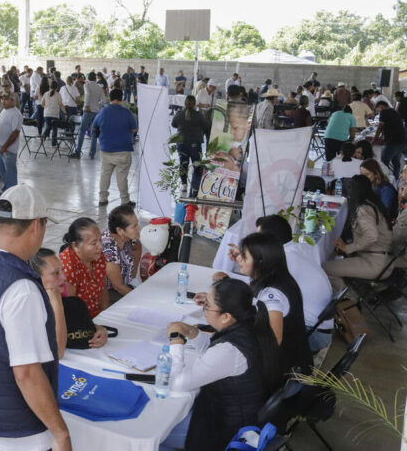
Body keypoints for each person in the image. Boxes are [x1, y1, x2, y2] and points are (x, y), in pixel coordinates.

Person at [0, 185, 71, 451]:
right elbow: (27, 373)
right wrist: (60, 433)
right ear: (35, 225)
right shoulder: (21, 290)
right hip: (16, 433)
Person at [159, 279, 281, 451]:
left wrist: (176, 341)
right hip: (234, 416)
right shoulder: (248, 325)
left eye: (207, 306)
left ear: (226, 317)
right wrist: (193, 333)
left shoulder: (229, 350)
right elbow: (215, 349)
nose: (204, 310)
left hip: (223, 431)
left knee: (155, 438)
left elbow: (176, 383)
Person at [221, 232, 312, 375]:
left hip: (284, 371)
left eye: (244, 256)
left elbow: (272, 344)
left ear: (260, 261)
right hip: (294, 360)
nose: (239, 260)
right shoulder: (278, 276)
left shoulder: (272, 296)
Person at [324, 175, 394, 290]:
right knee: (335, 259)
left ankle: (349, 301)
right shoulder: (374, 204)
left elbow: (372, 236)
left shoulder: (364, 209)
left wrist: (349, 248)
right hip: (382, 259)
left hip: (374, 262)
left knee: (326, 268)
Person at [93, 89, 138, 207]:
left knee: (105, 174)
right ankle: (124, 200)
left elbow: (94, 127)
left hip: (106, 149)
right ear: (122, 98)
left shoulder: (103, 112)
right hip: (123, 150)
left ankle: (102, 199)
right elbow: (134, 129)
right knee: (122, 176)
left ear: (110, 98)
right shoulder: (127, 113)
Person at [59, 217, 109, 319]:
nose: (100, 247)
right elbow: (71, 309)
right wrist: (91, 327)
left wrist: (106, 317)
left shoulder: (98, 256)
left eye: (100, 240)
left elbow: (103, 290)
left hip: (97, 316)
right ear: (76, 245)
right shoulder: (67, 266)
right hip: (79, 322)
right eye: (94, 243)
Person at [102, 205, 143, 299]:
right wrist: (140, 299)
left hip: (123, 285)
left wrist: (132, 279)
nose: (138, 228)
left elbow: (137, 247)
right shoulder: (109, 248)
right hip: (108, 292)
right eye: (134, 226)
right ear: (120, 230)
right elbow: (118, 286)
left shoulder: (131, 239)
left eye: (137, 224)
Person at [172, 95, 209, 197]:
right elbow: (206, 126)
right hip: (195, 145)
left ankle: (183, 184)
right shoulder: (199, 115)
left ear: (185, 103)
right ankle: (195, 187)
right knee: (197, 166)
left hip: (181, 144)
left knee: (183, 164)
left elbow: (173, 124)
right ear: (194, 104)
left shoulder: (179, 114)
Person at [0, 92, 22, 194]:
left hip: (8, 149)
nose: (3, 101)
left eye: (6, 99)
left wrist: (5, 147)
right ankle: (6, 190)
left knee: (10, 172)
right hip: (0, 147)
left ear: (13, 101)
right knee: (1, 170)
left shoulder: (16, 114)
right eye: (2, 99)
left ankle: (12, 193)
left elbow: (15, 133)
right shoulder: (4, 111)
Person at [72, 73, 101, 160]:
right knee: (94, 133)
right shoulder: (99, 87)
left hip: (88, 111)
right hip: (96, 111)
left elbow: (87, 94)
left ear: (88, 78)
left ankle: (78, 152)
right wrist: (98, 106)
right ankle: (92, 153)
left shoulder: (87, 85)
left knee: (82, 131)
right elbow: (104, 100)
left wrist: (87, 105)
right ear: (95, 78)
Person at [374, 105, 407, 176]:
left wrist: (375, 138)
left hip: (394, 141)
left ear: (380, 106)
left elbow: (380, 126)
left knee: (384, 161)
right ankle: (396, 178)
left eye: (377, 109)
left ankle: (386, 178)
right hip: (402, 140)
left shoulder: (384, 112)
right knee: (396, 161)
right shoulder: (394, 111)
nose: (378, 111)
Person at [40, 81, 65, 147]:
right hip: (55, 114)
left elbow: (42, 104)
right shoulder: (58, 94)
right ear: (57, 87)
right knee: (54, 128)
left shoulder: (46, 94)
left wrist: (46, 107)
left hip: (46, 113)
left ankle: (44, 136)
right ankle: (53, 142)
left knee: (48, 126)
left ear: (50, 86)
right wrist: (65, 112)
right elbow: (61, 104)